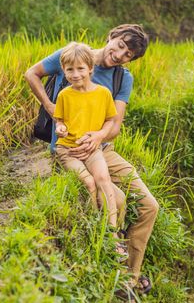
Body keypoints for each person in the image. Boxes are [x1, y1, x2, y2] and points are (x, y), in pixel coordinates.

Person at [24, 24, 158, 294]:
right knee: (116, 199)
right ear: (111, 36)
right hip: (70, 149)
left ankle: (129, 280)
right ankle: (115, 271)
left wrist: (97, 137)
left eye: (128, 54)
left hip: (102, 150)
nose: (120, 54)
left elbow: (115, 124)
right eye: (120, 45)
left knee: (149, 206)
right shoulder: (73, 56)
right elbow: (32, 73)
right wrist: (51, 109)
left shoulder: (122, 78)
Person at [53, 41, 127, 260]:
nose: (75, 74)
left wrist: (98, 137)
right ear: (64, 70)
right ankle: (94, 227)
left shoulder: (103, 93)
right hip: (68, 150)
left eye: (80, 69)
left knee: (103, 178)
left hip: (92, 148)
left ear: (90, 69)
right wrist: (61, 128)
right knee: (88, 182)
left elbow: (110, 121)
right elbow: (59, 121)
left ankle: (112, 234)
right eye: (70, 70)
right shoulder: (65, 95)